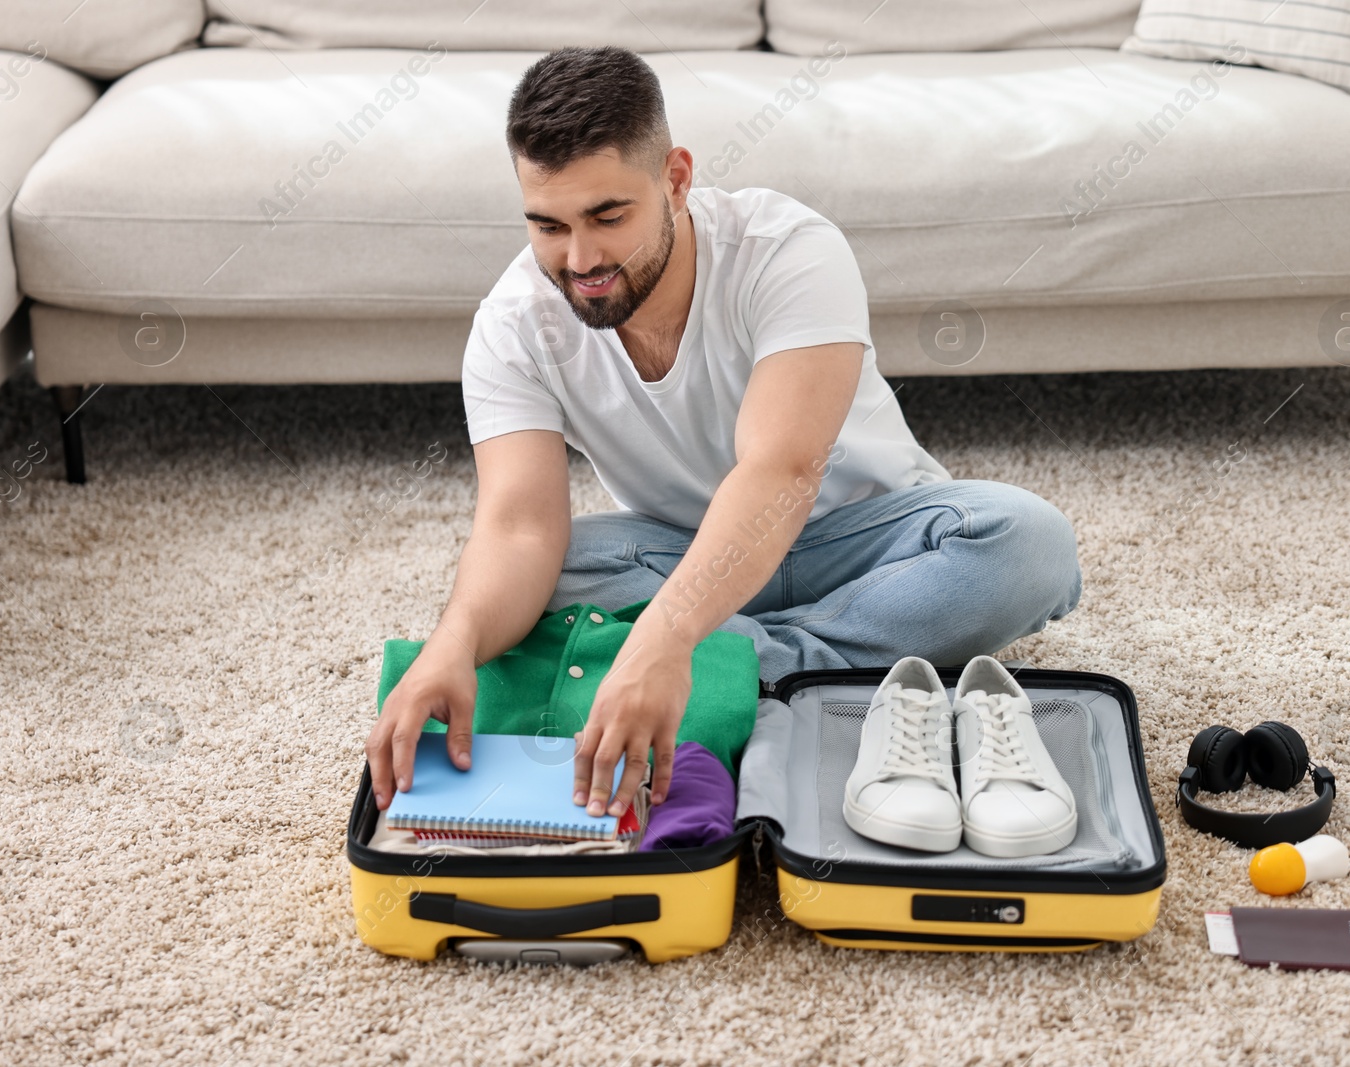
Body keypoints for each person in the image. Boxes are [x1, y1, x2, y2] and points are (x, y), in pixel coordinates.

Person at [364, 45, 1083, 824]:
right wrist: (457, 642)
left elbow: (782, 471)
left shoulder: (789, 250)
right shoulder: (513, 324)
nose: (580, 260)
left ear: (676, 178)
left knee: (1027, 543)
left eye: (608, 217)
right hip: (682, 548)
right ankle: (784, 664)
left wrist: (663, 639)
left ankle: (712, 660)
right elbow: (519, 527)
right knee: (520, 580)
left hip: (861, 540)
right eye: (548, 225)